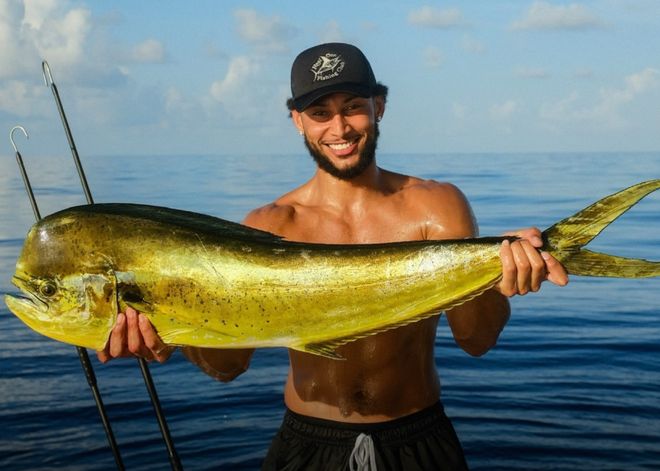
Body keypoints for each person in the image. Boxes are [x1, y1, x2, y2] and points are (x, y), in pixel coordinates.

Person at [97, 42, 568, 470]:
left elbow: (477, 339)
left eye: (353, 108)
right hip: (308, 445)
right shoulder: (268, 226)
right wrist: (171, 335)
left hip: (418, 440)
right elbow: (228, 366)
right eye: (320, 112)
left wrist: (500, 277)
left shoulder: (436, 207)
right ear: (297, 121)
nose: (339, 128)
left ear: (379, 106)